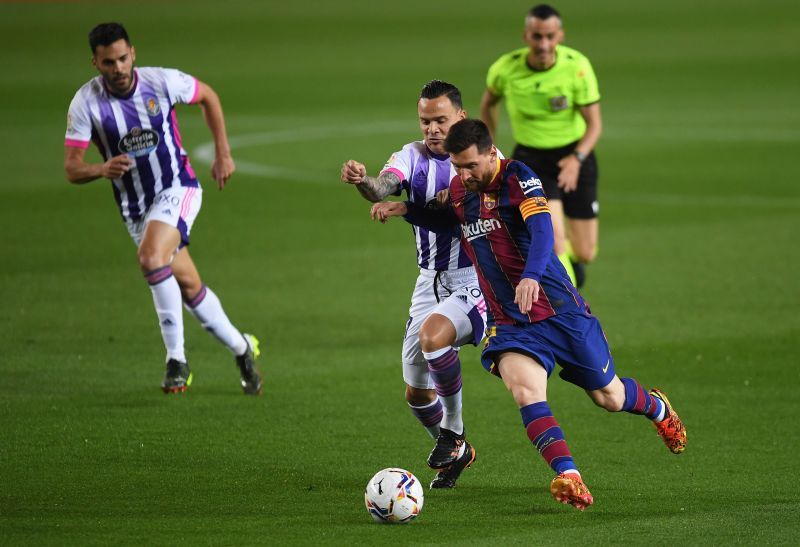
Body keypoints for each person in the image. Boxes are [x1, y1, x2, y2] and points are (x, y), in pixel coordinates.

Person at [371, 119, 686, 511]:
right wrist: (406, 209)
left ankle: (657, 408)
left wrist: (531, 276)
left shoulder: (518, 178)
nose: (463, 175)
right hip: (510, 321)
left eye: (470, 166)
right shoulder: (459, 190)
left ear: (490, 153)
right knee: (526, 392)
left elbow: (542, 231)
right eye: (457, 166)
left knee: (609, 396)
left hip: (559, 311)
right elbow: (450, 221)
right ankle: (569, 475)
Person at [63, 22, 263, 395]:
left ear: (133, 53)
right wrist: (100, 169)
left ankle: (177, 360)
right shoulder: (85, 104)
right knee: (189, 286)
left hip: (178, 188)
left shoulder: (161, 82)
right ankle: (242, 347)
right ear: (95, 63)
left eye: (123, 58)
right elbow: (72, 167)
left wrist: (223, 153)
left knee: (151, 259)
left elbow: (209, 98)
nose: (118, 68)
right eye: (109, 62)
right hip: (135, 208)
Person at [340, 81, 485, 488]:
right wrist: (363, 180)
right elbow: (382, 185)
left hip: (475, 279)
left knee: (435, 339)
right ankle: (458, 451)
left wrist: (413, 206)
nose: (432, 129)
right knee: (416, 394)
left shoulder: (482, 159)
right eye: (425, 121)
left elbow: (470, 212)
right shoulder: (413, 155)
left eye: (441, 120)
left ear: (461, 116)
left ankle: (454, 434)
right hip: (429, 283)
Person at [480, 4, 602, 288]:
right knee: (555, 239)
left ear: (560, 35)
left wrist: (576, 158)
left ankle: (573, 263)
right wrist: (490, 144)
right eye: (537, 36)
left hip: (575, 156)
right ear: (526, 36)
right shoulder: (505, 69)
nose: (544, 44)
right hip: (532, 160)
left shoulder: (577, 67)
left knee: (586, 251)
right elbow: (488, 103)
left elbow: (594, 124)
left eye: (550, 36)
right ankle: (573, 306)